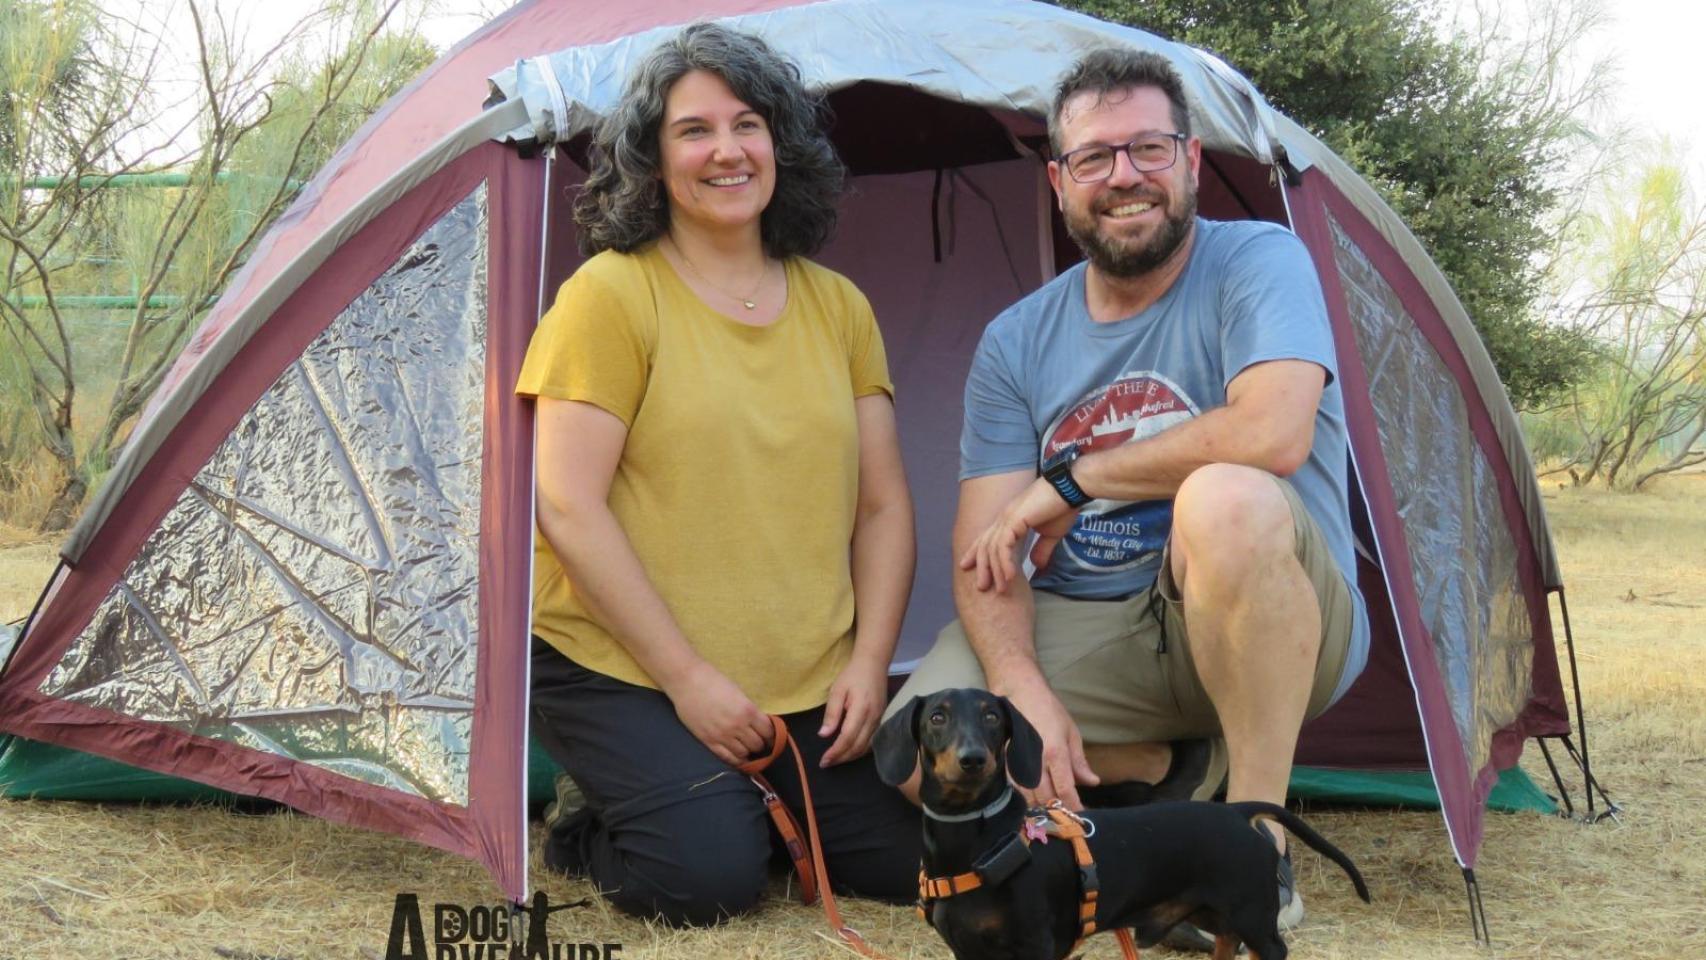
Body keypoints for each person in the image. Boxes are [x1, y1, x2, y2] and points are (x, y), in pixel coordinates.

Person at [887, 47, 1369, 933]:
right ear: (1059, 182)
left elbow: (1272, 432)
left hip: (1268, 598)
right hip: (1100, 619)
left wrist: (1073, 479)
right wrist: (1021, 686)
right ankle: (1167, 768)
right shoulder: (1016, 340)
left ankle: (1256, 848)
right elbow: (985, 552)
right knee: (926, 750)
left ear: (1191, 160)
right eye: (1094, 157)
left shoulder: (1260, 261)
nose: (1125, 177)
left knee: (1225, 498)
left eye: (1149, 148)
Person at [516, 23, 919, 926]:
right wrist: (688, 680)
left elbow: (885, 505)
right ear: (653, 161)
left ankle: (726, 798)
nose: (727, 151)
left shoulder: (840, 306)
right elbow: (566, 506)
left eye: (748, 125)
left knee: (911, 861)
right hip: (625, 666)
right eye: (693, 131)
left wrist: (870, 664)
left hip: (802, 673)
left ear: (781, 145)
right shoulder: (610, 295)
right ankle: (585, 822)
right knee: (707, 881)